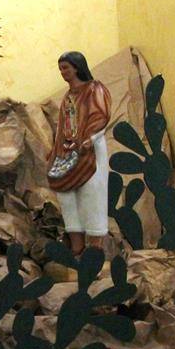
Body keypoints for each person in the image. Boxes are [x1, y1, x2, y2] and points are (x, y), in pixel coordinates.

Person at [48, 51, 112, 255]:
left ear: (77, 67)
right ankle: (77, 248)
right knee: (66, 196)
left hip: (89, 151)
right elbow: (63, 126)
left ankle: (95, 250)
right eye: (60, 69)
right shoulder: (68, 96)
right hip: (67, 152)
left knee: (91, 195)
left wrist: (88, 139)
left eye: (65, 67)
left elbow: (101, 116)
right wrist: (55, 150)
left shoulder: (95, 89)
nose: (62, 72)